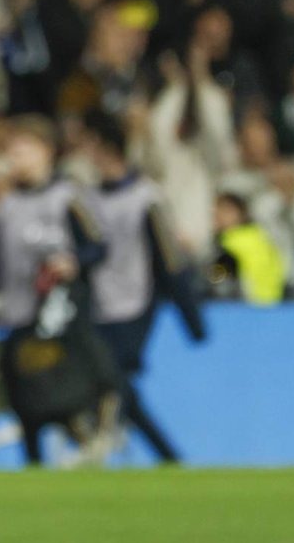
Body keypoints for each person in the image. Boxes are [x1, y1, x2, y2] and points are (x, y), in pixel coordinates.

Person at [80, 109, 206, 465]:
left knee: (114, 381)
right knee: (117, 386)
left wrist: (192, 320)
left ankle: (103, 450)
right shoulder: (88, 198)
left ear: (104, 148)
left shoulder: (146, 199)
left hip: (135, 305)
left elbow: (170, 261)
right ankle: (169, 460)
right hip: (99, 305)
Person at [0, 115, 117, 466]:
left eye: (24, 150)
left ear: (46, 152)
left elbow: (98, 245)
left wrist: (73, 262)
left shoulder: (67, 198)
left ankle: (92, 423)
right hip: (18, 311)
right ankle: (36, 464)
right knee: (21, 393)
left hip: (59, 311)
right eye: (12, 152)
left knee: (63, 382)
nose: (17, 158)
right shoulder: (6, 207)